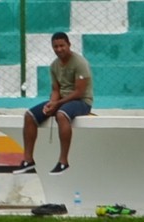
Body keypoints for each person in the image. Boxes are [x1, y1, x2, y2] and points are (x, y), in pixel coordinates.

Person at [13, 32, 93, 176]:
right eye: (55, 46)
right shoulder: (54, 66)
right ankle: (28, 160)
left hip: (81, 102)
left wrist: (57, 104)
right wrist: (51, 103)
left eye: (62, 45)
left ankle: (63, 161)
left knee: (61, 115)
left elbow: (79, 92)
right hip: (62, 101)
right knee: (29, 116)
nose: (59, 49)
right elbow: (56, 89)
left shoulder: (80, 63)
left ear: (69, 45)